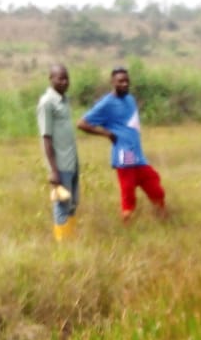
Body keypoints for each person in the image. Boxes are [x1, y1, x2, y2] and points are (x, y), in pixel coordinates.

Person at [77, 67, 166, 221]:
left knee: (155, 186)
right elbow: (82, 124)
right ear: (112, 83)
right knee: (128, 191)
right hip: (126, 153)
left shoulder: (130, 99)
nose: (124, 84)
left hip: (137, 154)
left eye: (126, 81)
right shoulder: (107, 103)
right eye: (120, 81)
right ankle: (128, 224)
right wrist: (106, 133)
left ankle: (164, 219)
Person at [36, 63, 80, 240]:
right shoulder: (47, 103)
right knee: (62, 206)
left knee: (72, 204)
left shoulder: (64, 100)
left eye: (66, 78)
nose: (64, 82)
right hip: (60, 165)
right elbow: (46, 138)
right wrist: (53, 170)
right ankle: (63, 247)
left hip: (72, 162)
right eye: (60, 78)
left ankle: (70, 238)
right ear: (51, 79)